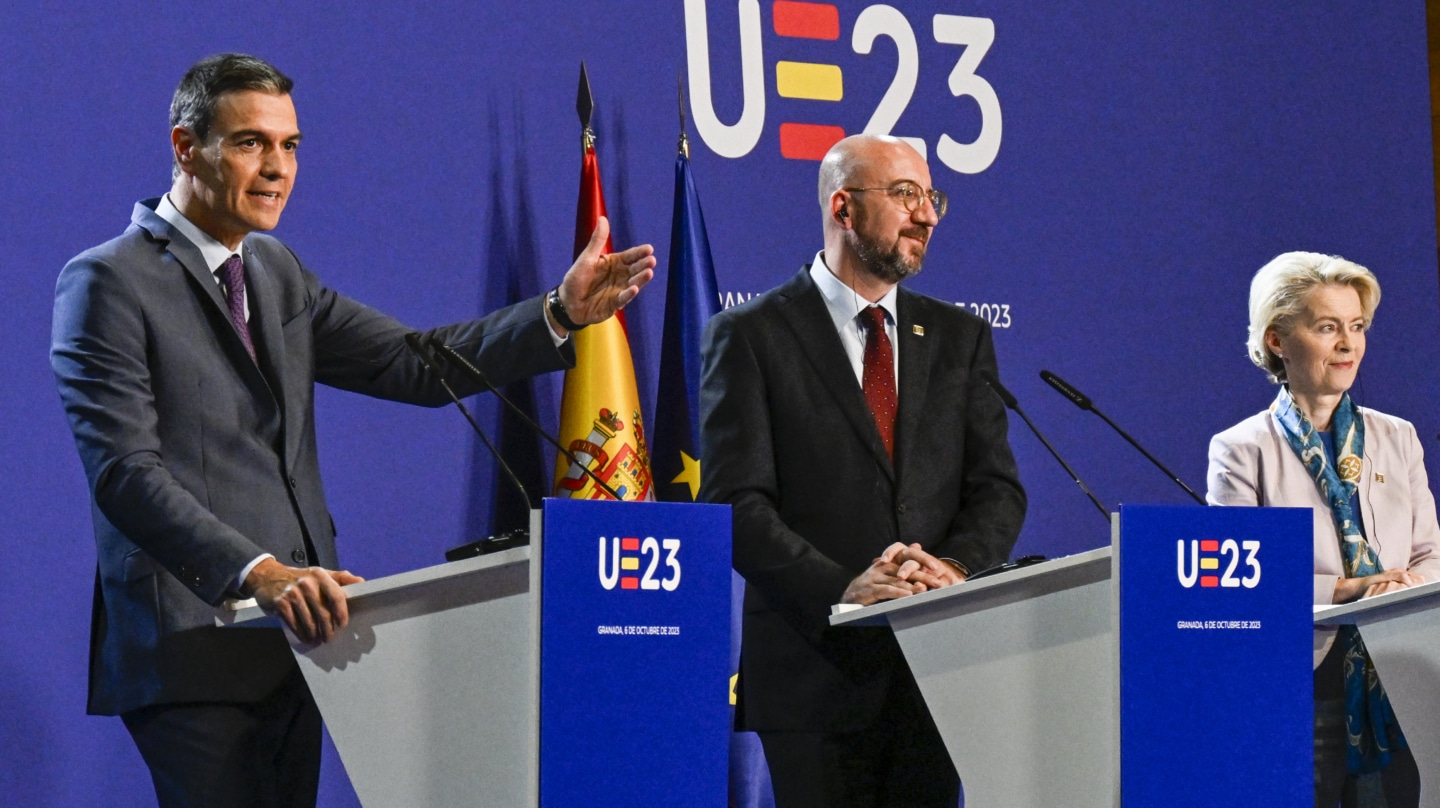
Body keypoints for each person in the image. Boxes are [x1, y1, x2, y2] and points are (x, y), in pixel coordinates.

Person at [50, 53, 654, 808]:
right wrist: (260, 572)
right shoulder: (107, 281)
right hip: (193, 646)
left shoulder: (276, 271)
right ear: (184, 147)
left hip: (300, 642)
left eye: (290, 146)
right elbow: (125, 473)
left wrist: (557, 314)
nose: (277, 168)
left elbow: (415, 364)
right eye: (251, 143)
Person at [699, 134, 1026, 806]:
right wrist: (847, 589)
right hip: (814, 677)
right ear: (843, 209)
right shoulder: (753, 335)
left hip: (938, 672)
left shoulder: (960, 339)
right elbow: (735, 504)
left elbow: (996, 488)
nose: (927, 215)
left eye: (932, 198)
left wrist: (955, 571)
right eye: (905, 195)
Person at [1207, 251, 1440, 807]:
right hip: (1301, 689)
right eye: (1327, 327)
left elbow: (1430, 553)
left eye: (1356, 327)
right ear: (1277, 341)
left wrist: (1399, 594)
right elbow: (1243, 580)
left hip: (1397, 682)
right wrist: (1349, 592)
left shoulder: (1397, 436)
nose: (1348, 344)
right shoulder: (1241, 450)